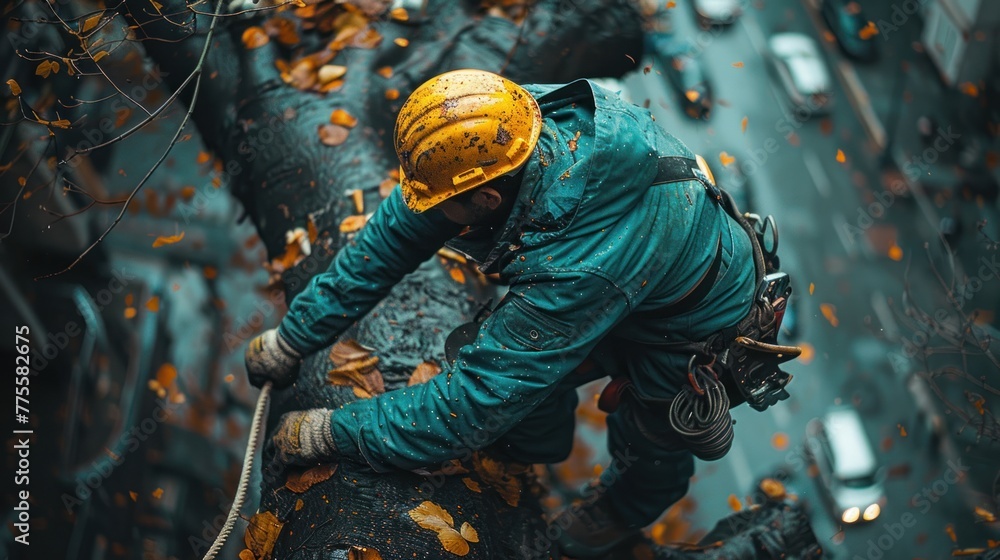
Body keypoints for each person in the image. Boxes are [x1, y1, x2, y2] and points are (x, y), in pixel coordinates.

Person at [245, 69, 797, 557]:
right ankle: (537, 443)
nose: (433, 215)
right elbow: (390, 240)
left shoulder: (580, 265)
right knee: (485, 358)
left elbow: (474, 402)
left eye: (445, 207)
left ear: (486, 200)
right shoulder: (505, 129)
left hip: (688, 327)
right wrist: (293, 339)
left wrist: (331, 433)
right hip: (630, 274)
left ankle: (611, 520)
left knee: (650, 440)